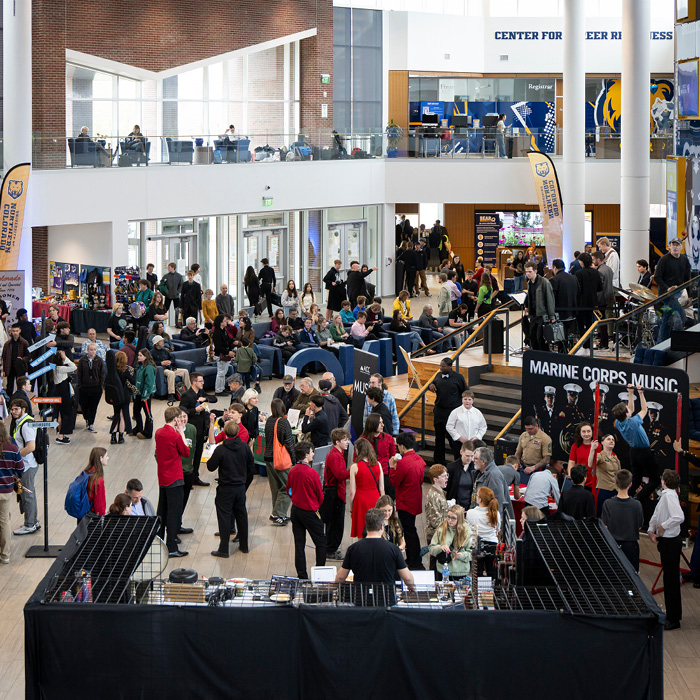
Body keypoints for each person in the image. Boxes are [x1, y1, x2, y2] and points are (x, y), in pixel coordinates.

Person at [335, 508, 414, 595]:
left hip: (361, 599)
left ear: (367, 526)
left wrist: (333, 589)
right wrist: (412, 588)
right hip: (386, 599)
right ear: (381, 526)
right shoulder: (393, 549)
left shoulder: (353, 549)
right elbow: (407, 578)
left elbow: (340, 577)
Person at [207, 421, 253, 558]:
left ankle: (223, 549)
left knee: (224, 517)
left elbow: (210, 467)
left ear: (225, 433)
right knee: (242, 516)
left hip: (225, 488)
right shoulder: (244, 447)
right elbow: (251, 468)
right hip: (240, 488)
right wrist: (244, 484)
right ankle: (244, 546)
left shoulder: (221, 449)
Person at [648, 469, 685, 630]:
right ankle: (672, 614)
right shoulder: (666, 495)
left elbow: (678, 517)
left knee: (670, 580)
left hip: (670, 542)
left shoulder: (669, 496)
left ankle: (674, 617)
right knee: (669, 578)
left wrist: (662, 526)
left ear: (664, 482)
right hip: (667, 541)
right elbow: (657, 513)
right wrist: (651, 529)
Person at [287, 441, 325, 579]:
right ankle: (320, 574)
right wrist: (315, 505)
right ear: (306, 454)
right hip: (310, 511)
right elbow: (319, 495)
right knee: (320, 543)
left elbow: (289, 490)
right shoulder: (312, 473)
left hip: (296, 510)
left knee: (299, 544)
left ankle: (302, 575)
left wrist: (296, 497)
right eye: (312, 451)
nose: (313, 454)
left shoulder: (292, 470)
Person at [155, 407, 190, 557]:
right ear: (175, 419)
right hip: (174, 478)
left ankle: (158, 541)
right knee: (174, 513)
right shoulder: (175, 436)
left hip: (162, 477)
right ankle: (172, 546)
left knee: (162, 510)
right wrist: (181, 431)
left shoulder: (158, 433)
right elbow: (186, 452)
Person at [612, 384, 657, 499]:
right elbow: (644, 409)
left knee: (636, 480)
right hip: (644, 452)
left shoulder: (618, 422)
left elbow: (631, 409)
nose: (629, 408)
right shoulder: (633, 422)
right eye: (627, 409)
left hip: (633, 452)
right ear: (626, 414)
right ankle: (638, 498)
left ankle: (626, 497)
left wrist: (631, 393)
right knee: (655, 480)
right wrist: (641, 394)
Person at [389, 432, 426, 570]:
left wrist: (392, 467)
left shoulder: (403, 463)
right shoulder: (419, 460)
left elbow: (394, 481)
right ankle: (413, 558)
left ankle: (414, 560)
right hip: (415, 498)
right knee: (411, 529)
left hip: (405, 501)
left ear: (402, 446)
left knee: (409, 531)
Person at [601, 469, 643, 571]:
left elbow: (605, 526)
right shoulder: (636, 504)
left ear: (616, 483)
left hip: (613, 545)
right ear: (630, 484)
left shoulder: (608, 504)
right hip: (631, 546)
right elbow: (639, 526)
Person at [429, 358, 468, 465]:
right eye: (440, 366)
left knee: (453, 438)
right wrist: (431, 386)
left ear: (450, 366)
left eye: (443, 366)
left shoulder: (458, 377)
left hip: (452, 412)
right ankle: (439, 462)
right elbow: (432, 384)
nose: (441, 368)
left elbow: (465, 392)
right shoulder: (438, 375)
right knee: (439, 438)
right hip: (439, 411)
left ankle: (458, 461)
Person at [263, 399, 295, 525]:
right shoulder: (283, 422)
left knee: (275, 487)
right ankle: (278, 514)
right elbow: (289, 443)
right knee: (288, 487)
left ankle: (278, 515)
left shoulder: (269, 420)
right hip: (280, 459)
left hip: (268, 457)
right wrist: (293, 459)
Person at [9, 400, 38, 535]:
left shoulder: (26, 425)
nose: (13, 412)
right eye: (12, 409)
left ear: (23, 409)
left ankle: (30, 524)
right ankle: (33, 521)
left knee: (27, 495)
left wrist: (16, 457)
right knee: (29, 493)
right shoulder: (21, 422)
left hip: (27, 465)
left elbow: (31, 447)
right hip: (26, 464)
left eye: (16, 409)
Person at [655, 237, 692, 342]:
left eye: (677, 245)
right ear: (669, 246)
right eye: (673, 245)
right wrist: (668, 288)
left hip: (678, 292)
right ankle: (676, 344)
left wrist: (689, 295)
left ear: (681, 247)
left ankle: (661, 343)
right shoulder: (664, 260)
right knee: (680, 317)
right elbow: (657, 277)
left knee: (666, 319)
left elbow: (687, 279)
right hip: (666, 295)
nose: (675, 247)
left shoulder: (684, 259)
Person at [179, 372, 212, 486]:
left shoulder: (201, 392)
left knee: (198, 453)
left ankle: (195, 477)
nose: (203, 383)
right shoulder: (186, 395)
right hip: (192, 428)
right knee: (190, 454)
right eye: (201, 381)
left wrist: (205, 399)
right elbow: (182, 410)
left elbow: (214, 398)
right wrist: (195, 410)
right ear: (194, 382)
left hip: (201, 427)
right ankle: (186, 478)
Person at [323, 428, 351, 559]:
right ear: (337, 441)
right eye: (345, 440)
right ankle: (330, 550)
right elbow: (340, 475)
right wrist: (353, 470)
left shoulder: (336, 454)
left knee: (335, 523)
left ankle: (331, 548)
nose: (348, 442)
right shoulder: (335, 456)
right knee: (335, 523)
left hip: (335, 492)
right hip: (334, 494)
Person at [349, 437, 384, 538]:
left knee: (361, 531)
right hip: (375, 498)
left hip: (361, 501)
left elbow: (352, 492)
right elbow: (382, 488)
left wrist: (351, 510)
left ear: (359, 450)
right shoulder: (378, 464)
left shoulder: (355, 467)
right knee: (376, 529)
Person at [0, 419, 24, 561]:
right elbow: (20, 468)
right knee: (4, 522)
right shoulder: (12, 448)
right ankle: (5, 555)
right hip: (6, 490)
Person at [429, 505, 473, 580]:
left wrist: (461, 555)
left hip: (460, 572)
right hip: (443, 571)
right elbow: (431, 548)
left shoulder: (467, 531)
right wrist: (440, 547)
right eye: (448, 517)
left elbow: (472, 554)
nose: (449, 520)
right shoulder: (441, 528)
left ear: (459, 519)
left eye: (453, 518)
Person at [361, 413, 397, 499]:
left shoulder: (388, 438)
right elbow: (357, 460)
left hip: (385, 474)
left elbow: (393, 456)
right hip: (369, 475)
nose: (383, 425)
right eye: (380, 423)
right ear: (373, 424)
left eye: (382, 422)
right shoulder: (363, 441)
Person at [467, 487, 501, 576]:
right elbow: (498, 528)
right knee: (492, 573)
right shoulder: (496, 513)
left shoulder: (471, 513)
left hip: (476, 546)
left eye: (477, 495)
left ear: (480, 499)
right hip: (492, 545)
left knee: (477, 574)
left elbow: (469, 528)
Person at [446, 390, 487, 460]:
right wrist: (459, 437)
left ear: (472, 401)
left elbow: (483, 427)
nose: (467, 401)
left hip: (474, 443)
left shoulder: (477, 413)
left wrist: (477, 437)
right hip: (459, 443)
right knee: (459, 461)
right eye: (465, 399)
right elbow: (449, 426)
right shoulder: (455, 412)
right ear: (462, 400)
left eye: (469, 399)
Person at [524, 261, 555, 351]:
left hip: (542, 314)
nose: (528, 274)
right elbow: (530, 297)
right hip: (533, 314)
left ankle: (545, 357)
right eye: (526, 272)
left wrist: (551, 315)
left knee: (540, 338)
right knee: (533, 337)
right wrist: (528, 307)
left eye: (530, 272)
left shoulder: (544, 282)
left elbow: (550, 299)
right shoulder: (530, 283)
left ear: (535, 271)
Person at [472, 446, 510, 515]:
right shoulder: (480, 472)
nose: (473, 460)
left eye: (476, 459)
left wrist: (491, 521)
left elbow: (497, 504)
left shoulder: (494, 476)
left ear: (483, 461)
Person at [105, 351, 133, 444]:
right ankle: (121, 437)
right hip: (125, 395)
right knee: (123, 415)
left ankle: (113, 436)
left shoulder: (112, 370)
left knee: (116, 414)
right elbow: (133, 381)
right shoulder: (126, 370)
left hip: (115, 395)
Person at [76, 342, 106, 433]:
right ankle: (87, 419)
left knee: (93, 406)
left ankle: (91, 423)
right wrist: (80, 385)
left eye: (94, 350)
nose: (93, 351)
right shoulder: (82, 360)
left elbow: (102, 374)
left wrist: (100, 385)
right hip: (84, 387)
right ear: (87, 350)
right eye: (91, 349)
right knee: (84, 405)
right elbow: (79, 373)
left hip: (96, 387)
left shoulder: (99, 360)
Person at [151, 335, 191, 401]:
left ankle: (189, 392)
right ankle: (171, 394)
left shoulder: (164, 350)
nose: (163, 342)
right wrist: (161, 363)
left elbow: (173, 357)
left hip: (170, 367)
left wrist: (170, 361)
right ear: (156, 343)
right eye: (161, 341)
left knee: (185, 371)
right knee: (171, 373)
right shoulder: (152, 352)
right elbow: (151, 362)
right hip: (162, 369)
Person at [515, 416, 552, 485]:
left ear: (536, 426)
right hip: (524, 468)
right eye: (526, 429)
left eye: (530, 429)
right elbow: (518, 452)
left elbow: (547, 459)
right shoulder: (523, 435)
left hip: (537, 470)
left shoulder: (545, 438)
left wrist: (533, 468)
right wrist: (517, 462)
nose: (528, 431)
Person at [589, 433, 621, 516]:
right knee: (600, 515)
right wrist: (592, 449)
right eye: (608, 439)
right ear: (602, 442)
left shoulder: (616, 458)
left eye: (613, 440)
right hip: (603, 490)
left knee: (612, 516)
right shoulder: (600, 456)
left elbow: (619, 474)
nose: (611, 441)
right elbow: (590, 464)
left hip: (615, 491)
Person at [424, 464, 449, 570]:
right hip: (436, 536)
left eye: (446, 475)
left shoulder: (440, 492)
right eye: (443, 476)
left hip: (440, 534)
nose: (447, 478)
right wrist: (452, 521)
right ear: (435, 479)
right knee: (436, 565)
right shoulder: (434, 496)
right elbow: (436, 521)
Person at [574, 252, 602, 346]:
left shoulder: (579, 273)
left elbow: (578, 289)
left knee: (581, 324)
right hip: (593, 301)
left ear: (582, 262)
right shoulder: (596, 272)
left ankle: (583, 342)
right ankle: (589, 342)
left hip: (581, 302)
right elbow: (599, 288)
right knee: (590, 322)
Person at [51, 349, 77, 445]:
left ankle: (60, 433)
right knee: (65, 414)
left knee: (60, 414)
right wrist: (65, 358)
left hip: (58, 392)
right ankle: (61, 436)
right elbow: (73, 367)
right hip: (64, 394)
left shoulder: (54, 368)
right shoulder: (60, 369)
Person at [549, 258, 578, 340]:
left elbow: (552, 297)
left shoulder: (554, 280)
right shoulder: (573, 278)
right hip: (573, 311)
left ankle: (562, 351)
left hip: (560, 313)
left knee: (561, 338)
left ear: (554, 267)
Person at [592, 251, 615, 349]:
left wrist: (595, 302)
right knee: (605, 321)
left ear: (598, 259)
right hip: (609, 297)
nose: (592, 262)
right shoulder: (608, 269)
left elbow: (599, 289)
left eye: (593, 260)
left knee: (601, 322)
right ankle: (605, 341)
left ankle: (604, 343)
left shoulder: (600, 271)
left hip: (602, 299)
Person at [132, 349, 156, 440]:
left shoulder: (149, 368)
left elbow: (149, 383)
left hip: (145, 394)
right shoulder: (140, 366)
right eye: (138, 355)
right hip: (138, 393)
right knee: (136, 411)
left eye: (140, 355)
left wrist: (145, 396)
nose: (138, 357)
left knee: (147, 413)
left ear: (146, 357)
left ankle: (148, 433)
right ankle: (138, 428)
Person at [567, 421, 597, 491]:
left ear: (592, 432)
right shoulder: (575, 446)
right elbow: (571, 463)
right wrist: (571, 477)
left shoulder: (597, 446)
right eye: (583, 431)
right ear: (579, 433)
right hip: (578, 481)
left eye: (588, 431)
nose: (586, 434)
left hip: (593, 481)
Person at [446, 440, 475, 511]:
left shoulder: (475, 468)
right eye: (467, 456)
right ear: (461, 452)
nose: (469, 459)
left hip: (469, 507)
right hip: (455, 507)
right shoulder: (451, 467)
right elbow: (447, 488)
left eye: (472, 456)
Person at [2, 325, 29, 394]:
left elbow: (28, 356)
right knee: (9, 386)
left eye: (17, 331)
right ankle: (9, 402)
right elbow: (4, 357)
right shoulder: (7, 344)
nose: (15, 333)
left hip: (19, 366)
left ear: (20, 331)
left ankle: (19, 400)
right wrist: (4, 369)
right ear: (11, 331)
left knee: (20, 386)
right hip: (10, 366)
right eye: (13, 331)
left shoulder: (24, 342)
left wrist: (22, 359)